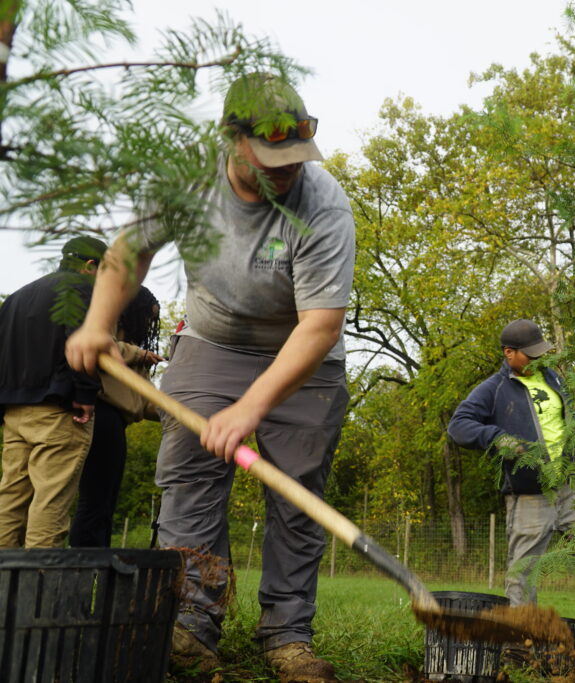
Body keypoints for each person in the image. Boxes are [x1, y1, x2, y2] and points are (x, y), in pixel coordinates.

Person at [66, 73, 355, 683]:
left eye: (296, 158)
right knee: (188, 477)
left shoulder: (323, 205)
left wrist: (250, 408)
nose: (287, 171)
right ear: (232, 141)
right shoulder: (186, 181)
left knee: (297, 490)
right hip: (212, 342)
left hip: (303, 354)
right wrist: (98, 322)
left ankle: (287, 635)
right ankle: (193, 622)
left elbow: (320, 327)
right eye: (272, 158)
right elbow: (129, 252)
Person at [447, 319, 575, 668]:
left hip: (570, 489)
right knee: (523, 571)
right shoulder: (494, 388)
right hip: (529, 496)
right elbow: (459, 425)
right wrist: (497, 439)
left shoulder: (555, 380)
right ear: (509, 354)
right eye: (530, 354)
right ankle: (522, 646)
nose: (539, 359)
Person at [0, 235, 107, 548]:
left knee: (10, 500)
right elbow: (82, 344)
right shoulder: (82, 290)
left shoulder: (17, 297)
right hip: (59, 413)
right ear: (91, 265)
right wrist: (86, 396)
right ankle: (39, 591)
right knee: (50, 502)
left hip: (14, 414)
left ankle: (4, 592)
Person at [69, 286, 163, 548]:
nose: (149, 323)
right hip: (101, 416)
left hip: (117, 424)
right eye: (147, 315)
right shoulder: (109, 333)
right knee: (94, 500)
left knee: (107, 500)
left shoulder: (134, 350)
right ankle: (84, 564)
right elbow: (97, 344)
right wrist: (139, 354)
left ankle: (99, 561)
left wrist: (178, 413)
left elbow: (145, 403)